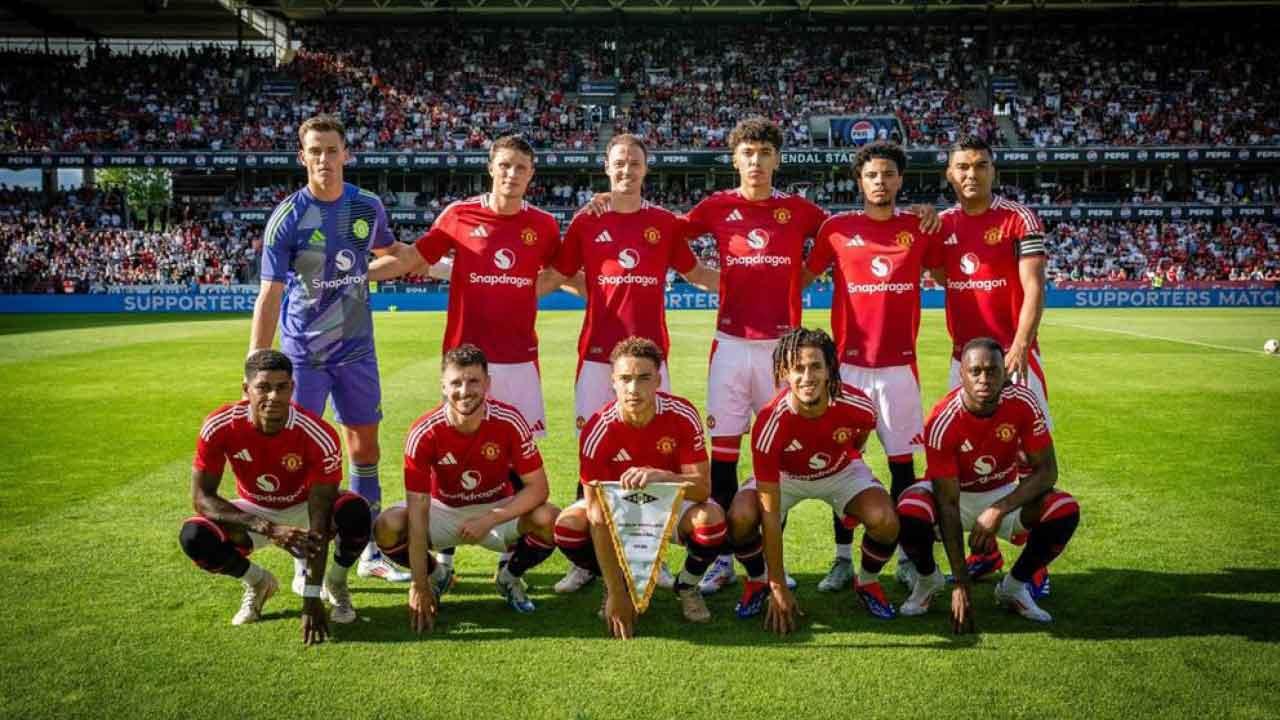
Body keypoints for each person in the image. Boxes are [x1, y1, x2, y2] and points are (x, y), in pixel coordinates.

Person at [367, 135, 564, 582]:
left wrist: (526, 291)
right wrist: (353, 274)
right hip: (465, 362)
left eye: (521, 167)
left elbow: (562, 271)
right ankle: (446, 553)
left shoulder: (544, 225)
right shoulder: (459, 215)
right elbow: (414, 258)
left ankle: (508, 560)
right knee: (455, 447)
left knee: (517, 457)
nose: (512, 174)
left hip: (519, 359)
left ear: (531, 174)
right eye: (505, 165)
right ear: (491, 168)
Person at [539, 134, 718, 594]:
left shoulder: (663, 222)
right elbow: (559, 274)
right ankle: (587, 560)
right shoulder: (587, 220)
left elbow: (698, 274)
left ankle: (652, 554)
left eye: (634, 163)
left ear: (645, 169)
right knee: (591, 451)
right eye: (619, 162)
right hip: (597, 358)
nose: (626, 170)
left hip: (651, 360)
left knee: (657, 451)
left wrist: (758, 283)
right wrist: (500, 291)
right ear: (606, 167)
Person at [249, 113, 413, 584]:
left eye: (331, 150)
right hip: (305, 354)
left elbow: (390, 255)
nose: (324, 159)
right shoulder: (287, 217)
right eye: (315, 151)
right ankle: (305, 556)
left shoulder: (366, 206)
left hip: (357, 350)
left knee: (365, 448)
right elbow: (269, 296)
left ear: (346, 154)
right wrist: (256, 367)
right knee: (301, 453)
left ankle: (370, 553)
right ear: (302, 157)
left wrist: (431, 262)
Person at [679, 117, 828, 595]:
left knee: (775, 457)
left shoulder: (799, 210)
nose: (756, 161)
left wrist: (801, 278)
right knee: (723, 457)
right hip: (729, 345)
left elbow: (842, 236)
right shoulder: (716, 206)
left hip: (782, 351)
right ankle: (722, 558)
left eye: (764, 153)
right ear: (735, 159)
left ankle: (769, 560)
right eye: (747, 153)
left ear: (777, 159)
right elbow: (667, 235)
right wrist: (706, 278)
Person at [803, 141, 942, 590]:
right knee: (842, 465)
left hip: (899, 369)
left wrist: (935, 216)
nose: (880, 181)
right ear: (859, 181)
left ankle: (907, 558)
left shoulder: (919, 227)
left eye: (888, 174)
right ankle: (843, 558)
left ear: (900, 180)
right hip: (849, 370)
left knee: (903, 468)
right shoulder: (836, 229)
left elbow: (948, 273)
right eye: (871, 175)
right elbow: (801, 277)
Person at [178, 350, 371, 643]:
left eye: (282, 387)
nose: (273, 396)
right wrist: (268, 527)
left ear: (292, 388)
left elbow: (320, 519)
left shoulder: (317, 433)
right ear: (246, 389)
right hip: (253, 510)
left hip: (303, 507)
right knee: (194, 536)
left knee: (354, 511)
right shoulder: (220, 425)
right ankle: (258, 583)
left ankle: (336, 583)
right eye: (263, 387)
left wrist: (310, 596)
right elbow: (202, 497)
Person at [373, 345, 560, 632]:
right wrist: (419, 583)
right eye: (456, 383)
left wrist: (490, 518)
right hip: (443, 510)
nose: (464, 391)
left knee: (551, 519)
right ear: (443, 386)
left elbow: (538, 488)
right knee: (387, 526)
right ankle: (438, 577)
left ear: (487, 383)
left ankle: (509, 577)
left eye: (473, 381)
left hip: (496, 509)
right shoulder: (424, 431)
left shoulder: (509, 420)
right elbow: (418, 509)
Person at [896, 338, 1079, 629]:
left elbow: (1047, 471)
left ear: (1005, 374)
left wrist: (997, 510)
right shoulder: (943, 419)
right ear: (962, 375)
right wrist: (960, 581)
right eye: (975, 371)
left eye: (993, 371)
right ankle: (929, 581)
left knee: (1064, 509)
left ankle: (1014, 587)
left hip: (1003, 493)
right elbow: (947, 502)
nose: (984, 379)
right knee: (910, 509)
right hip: (956, 497)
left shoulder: (1023, 401)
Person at [726, 327, 900, 632]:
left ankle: (867, 582)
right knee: (740, 516)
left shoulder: (858, 405)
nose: (807, 377)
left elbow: (860, 436)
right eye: (798, 368)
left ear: (830, 369)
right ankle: (758, 581)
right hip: (786, 477)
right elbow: (769, 511)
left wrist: (847, 461)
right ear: (784, 372)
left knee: (885, 520)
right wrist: (778, 584)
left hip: (840, 471)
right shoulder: (770, 421)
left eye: (816, 366)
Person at [551, 337, 726, 638]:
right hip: (617, 509)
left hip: (669, 503)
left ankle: (687, 586)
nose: (633, 389)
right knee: (567, 527)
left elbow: (701, 489)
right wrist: (617, 592)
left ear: (658, 380)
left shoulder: (681, 414)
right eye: (625, 379)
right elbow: (596, 515)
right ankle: (614, 581)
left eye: (644, 378)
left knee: (711, 521)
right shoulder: (597, 429)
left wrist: (662, 476)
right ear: (613, 382)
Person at [937, 134, 1053, 583]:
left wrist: (1020, 346)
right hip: (962, 362)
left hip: (1012, 359)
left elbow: (1034, 287)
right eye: (963, 166)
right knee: (967, 461)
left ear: (993, 171)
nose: (972, 174)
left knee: (1029, 461)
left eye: (980, 165)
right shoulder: (943, 224)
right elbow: (938, 271)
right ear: (950, 174)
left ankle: (1034, 567)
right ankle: (985, 555)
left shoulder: (1018, 218)